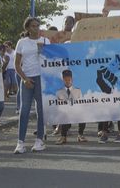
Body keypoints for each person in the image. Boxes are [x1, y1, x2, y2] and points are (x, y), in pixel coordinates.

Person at [14, 17, 50, 154]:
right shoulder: (22, 42)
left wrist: (44, 52)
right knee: (24, 111)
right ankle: (20, 142)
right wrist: (24, 79)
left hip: (41, 78)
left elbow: (52, 60)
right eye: (33, 26)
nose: (36, 28)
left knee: (41, 110)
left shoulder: (46, 41)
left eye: (38, 26)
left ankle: (39, 140)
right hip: (27, 78)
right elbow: (17, 64)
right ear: (27, 28)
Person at [55, 70, 88, 144]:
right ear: (63, 80)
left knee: (83, 113)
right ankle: (63, 137)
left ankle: (80, 135)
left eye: (69, 79)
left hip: (76, 110)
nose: (67, 81)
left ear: (72, 79)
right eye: (65, 79)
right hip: (65, 111)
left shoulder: (78, 90)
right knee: (64, 114)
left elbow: (81, 102)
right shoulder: (59, 92)